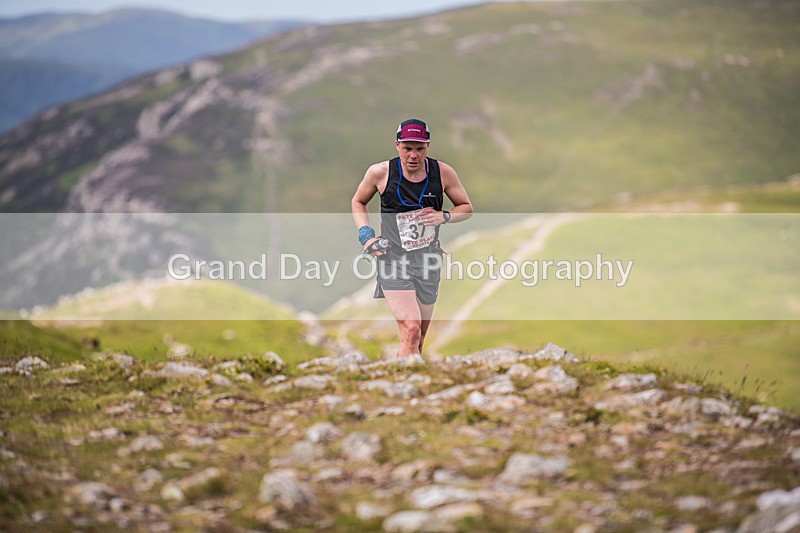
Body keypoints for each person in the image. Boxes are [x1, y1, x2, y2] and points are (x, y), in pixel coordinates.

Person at [351, 118, 473, 357]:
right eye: (407, 148)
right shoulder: (380, 173)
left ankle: (402, 379)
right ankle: (404, 389)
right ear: (397, 145)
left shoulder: (443, 173)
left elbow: (466, 208)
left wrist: (444, 216)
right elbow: (358, 201)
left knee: (418, 339)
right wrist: (366, 237)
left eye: (420, 148)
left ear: (427, 146)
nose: (413, 155)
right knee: (412, 328)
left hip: (428, 261)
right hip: (393, 259)